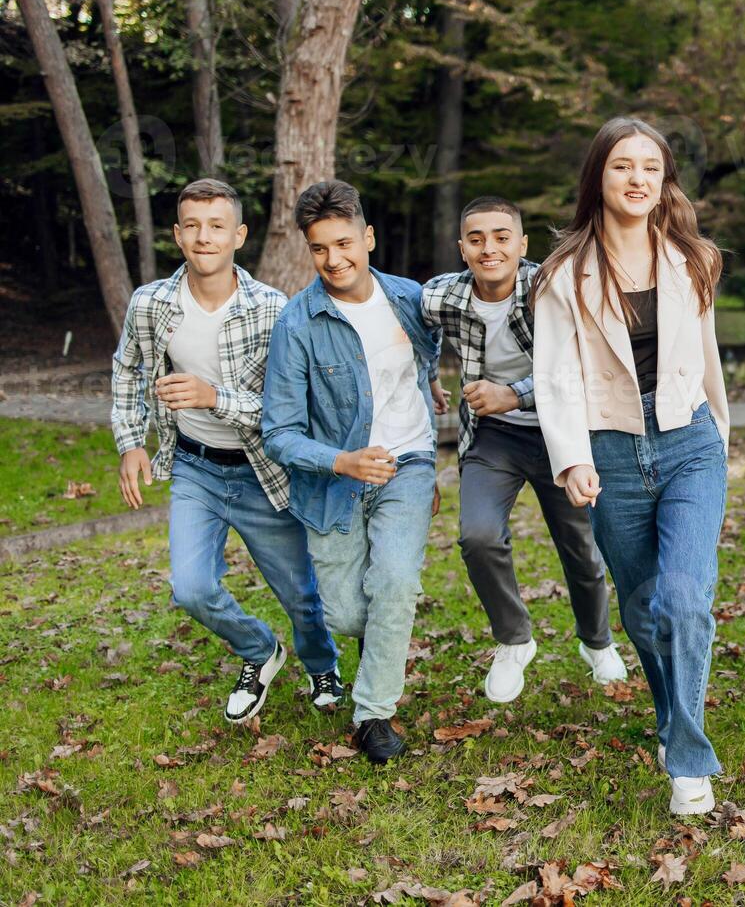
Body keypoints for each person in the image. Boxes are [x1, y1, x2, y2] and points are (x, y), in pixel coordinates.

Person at [532, 116, 728, 816]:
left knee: (684, 599)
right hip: (609, 450)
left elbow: (706, 359)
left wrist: (720, 436)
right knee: (645, 613)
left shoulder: (693, 259)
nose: (638, 177)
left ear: (664, 179)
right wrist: (571, 460)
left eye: (650, 165)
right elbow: (554, 376)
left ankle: (687, 756)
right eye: (622, 165)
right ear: (599, 178)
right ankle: (671, 717)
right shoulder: (562, 275)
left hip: (688, 444)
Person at [111, 178, 340, 725]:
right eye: (192, 225)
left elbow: (291, 408)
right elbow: (127, 369)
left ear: (238, 235)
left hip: (264, 472)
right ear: (177, 234)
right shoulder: (152, 304)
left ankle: (321, 664)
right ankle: (261, 652)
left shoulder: (272, 309)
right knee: (190, 589)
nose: (203, 237)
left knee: (301, 593)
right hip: (194, 468)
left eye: (216, 226)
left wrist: (215, 397)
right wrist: (130, 443)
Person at [262, 180, 444, 763]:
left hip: (406, 464)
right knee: (344, 611)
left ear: (367, 237)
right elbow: (278, 432)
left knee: (394, 581)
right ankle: (378, 638)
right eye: (320, 249)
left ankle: (373, 714)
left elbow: (427, 359)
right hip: (332, 482)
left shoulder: (411, 299)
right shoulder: (298, 323)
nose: (335, 260)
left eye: (344, 243)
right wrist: (342, 460)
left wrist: (433, 391)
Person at [421, 195, 626, 704]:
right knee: (478, 536)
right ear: (462, 247)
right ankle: (514, 640)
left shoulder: (552, 287)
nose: (489, 248)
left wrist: (513, 393)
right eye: (476, 239)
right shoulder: (440, 296)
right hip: (493, 437)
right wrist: (429, 376)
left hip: (564, 434)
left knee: (581, 547)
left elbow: (585, 359)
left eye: (501, 236)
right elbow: (411, 328)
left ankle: (596, 641)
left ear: (522, 244)